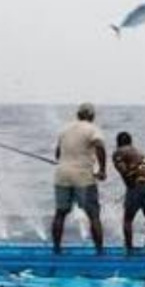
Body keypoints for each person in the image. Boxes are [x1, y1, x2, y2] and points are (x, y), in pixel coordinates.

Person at [51, 104, 108, 253]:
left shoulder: (64, 129)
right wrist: (102, 170)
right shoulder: (92, 129)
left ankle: (57, 248)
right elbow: (100, 146)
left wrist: (65, 161)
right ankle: (99, 251)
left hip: (61, 174)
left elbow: (58, 153)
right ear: (92, 116)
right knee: (93, 214)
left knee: (60, 213)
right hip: (83, 176)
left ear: (78, 115)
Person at [111, 133, 145, 254]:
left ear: (118, 143)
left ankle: (129, 248)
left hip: (139, 185)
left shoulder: (119, 152)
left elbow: (124, 172)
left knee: (128, 219)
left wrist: (131, 188)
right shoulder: (138, 152)